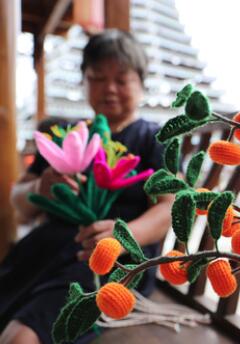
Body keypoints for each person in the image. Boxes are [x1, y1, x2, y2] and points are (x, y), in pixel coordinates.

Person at [0, 29, 173, 344]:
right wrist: (40, 186)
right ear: (83, 82)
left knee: (21, 337)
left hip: (111, 263)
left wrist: (121, 237)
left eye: (122, 80)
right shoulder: (69, 135)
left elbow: (169, 206)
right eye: (97, 77)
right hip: (43, 253)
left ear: (140, 84)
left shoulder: (153, 138)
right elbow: (20, 203)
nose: (109, 89)